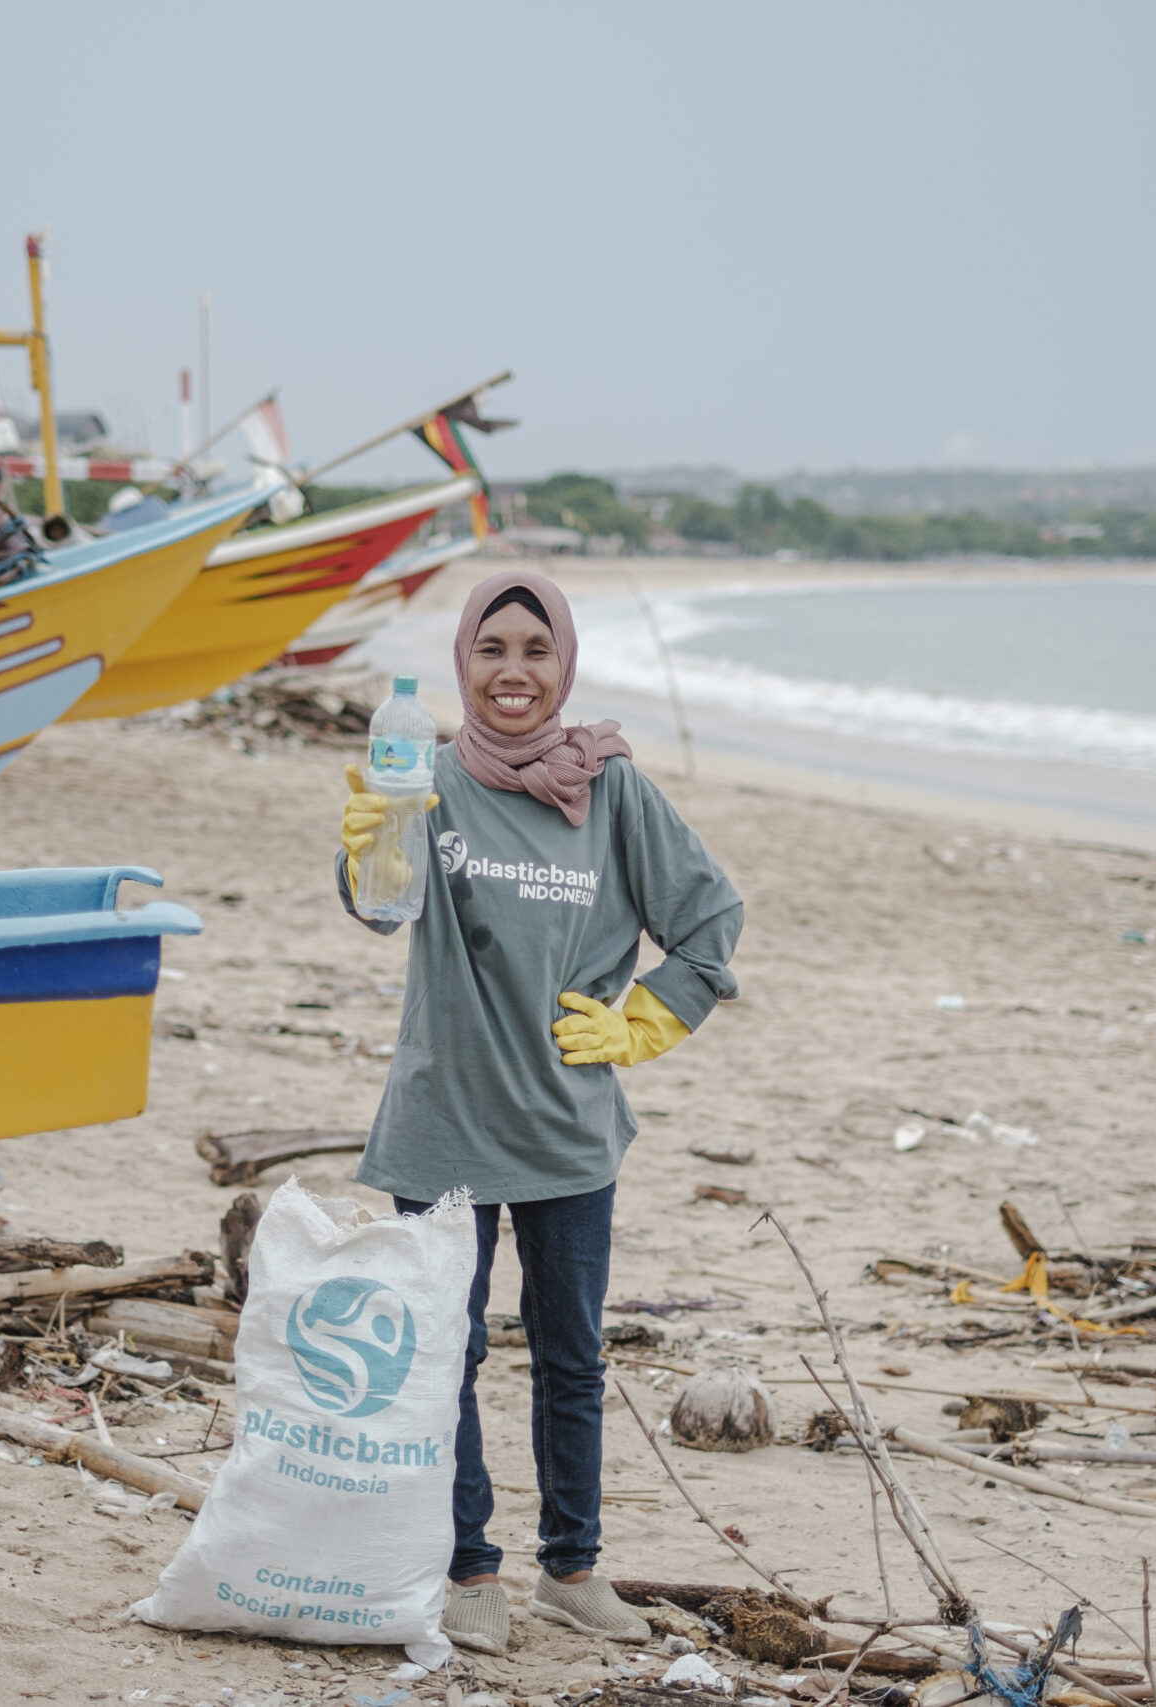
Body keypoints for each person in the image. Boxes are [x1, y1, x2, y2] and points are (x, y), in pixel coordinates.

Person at [334, 568, 744, 1657]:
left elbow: (710, 919)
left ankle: (574, 1568)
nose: (513, 673)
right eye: (491, 651)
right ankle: (469, 1569)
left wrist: (645, 1022)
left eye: (535, 651)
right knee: (444, 1356)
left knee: (570, 1356)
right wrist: (368, 840)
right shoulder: (422, 775)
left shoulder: (612, 789)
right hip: (442, 1118)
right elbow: (383, 911)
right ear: (462, 664)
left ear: (564, 663)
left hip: (567, 1127)